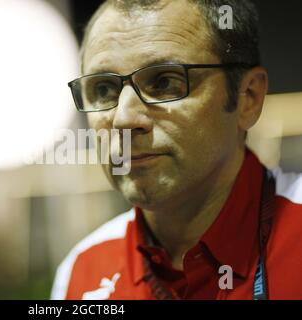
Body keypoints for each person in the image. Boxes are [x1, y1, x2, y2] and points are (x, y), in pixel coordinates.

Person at [51, 0, 302, 300]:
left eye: (164, 82)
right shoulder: (82, 271)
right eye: (103, 90)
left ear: (248, 97)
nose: (124, 119)